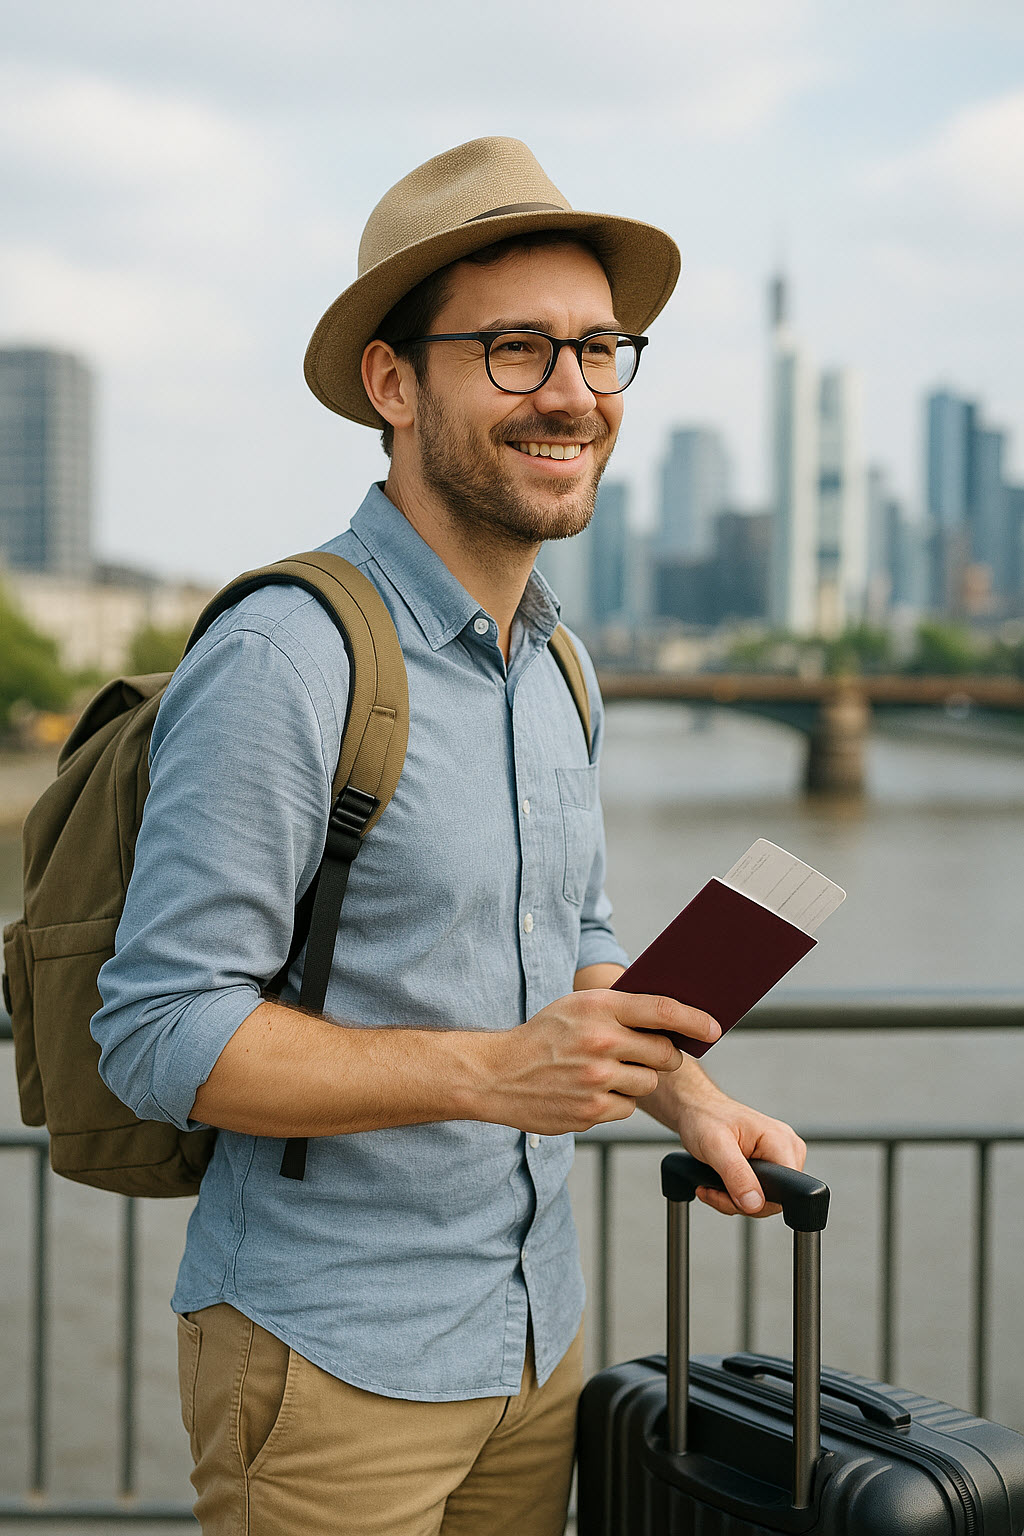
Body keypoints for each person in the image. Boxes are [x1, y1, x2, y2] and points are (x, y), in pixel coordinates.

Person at [92, 137, 806, 1536]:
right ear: (395, 381)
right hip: (328, 1364)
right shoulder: (288, 659)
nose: (573, 394)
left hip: (535, 1345)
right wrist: (495, 1071)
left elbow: (577, 942)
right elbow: (159, 1031)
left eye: (602, 349)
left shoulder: (561, 667)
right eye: (517, 349)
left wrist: (687, 1099)